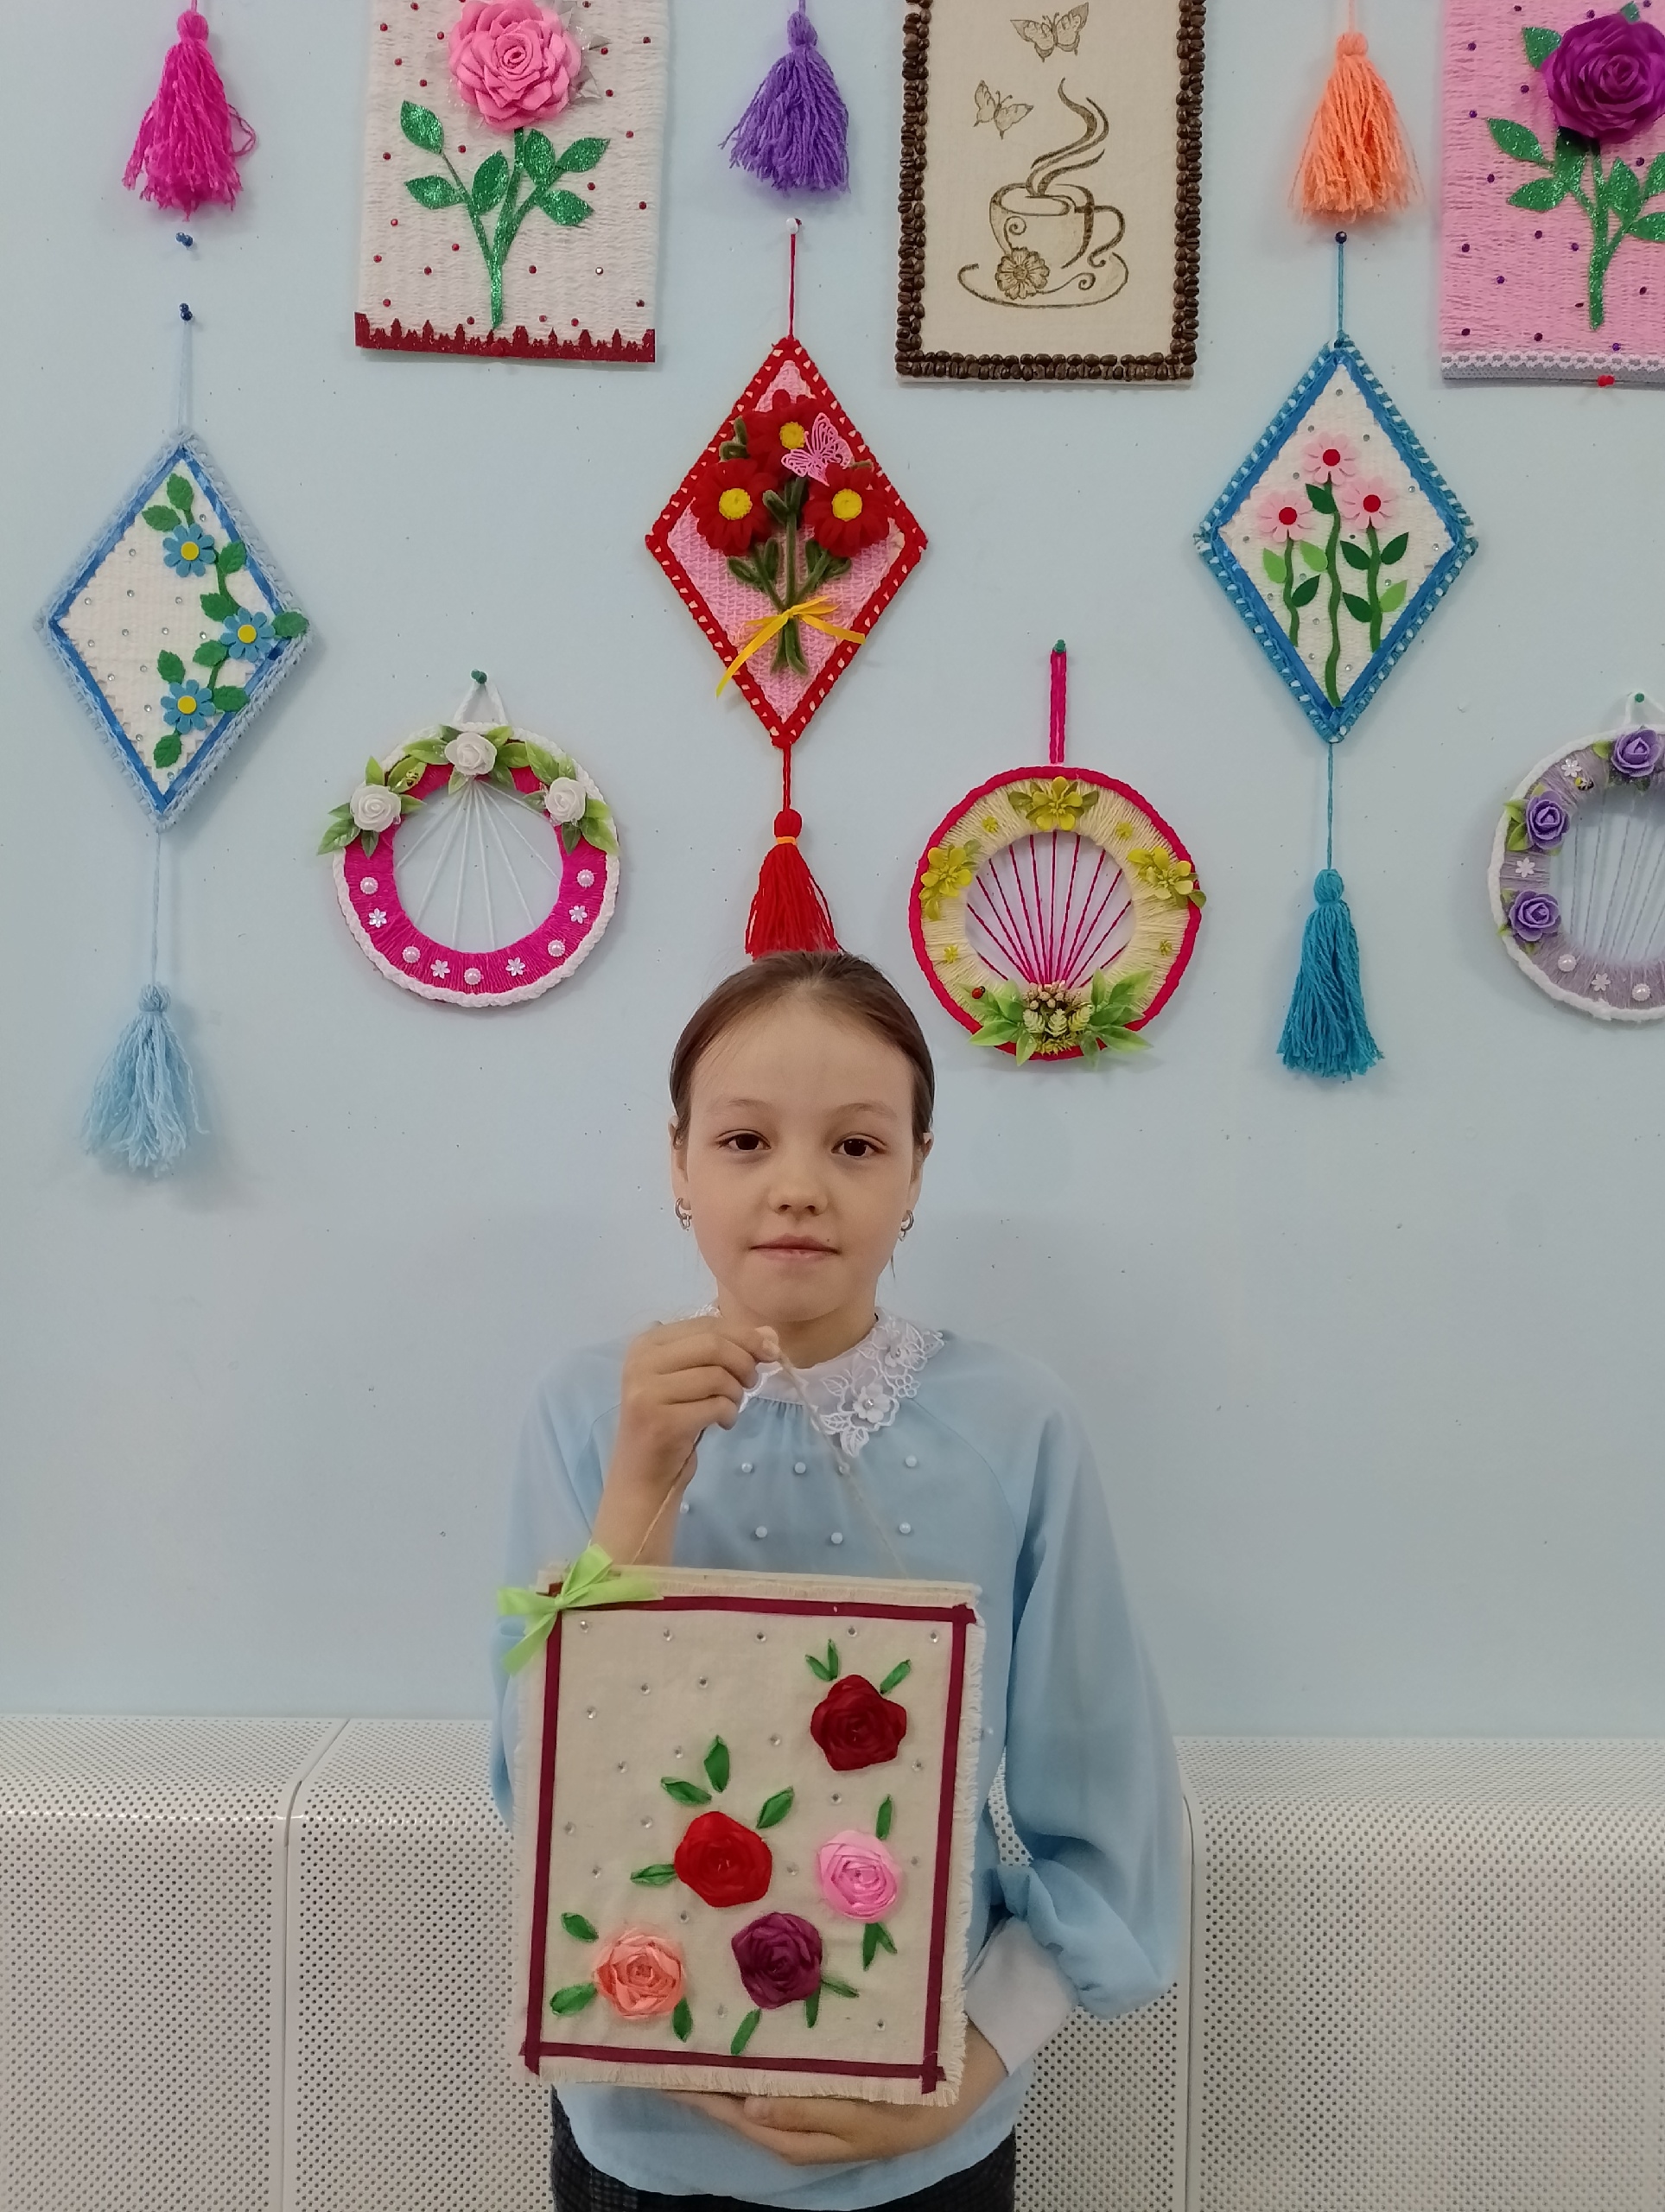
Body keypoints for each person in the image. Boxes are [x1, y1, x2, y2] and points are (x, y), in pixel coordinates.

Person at [493, 950, 1183, 2211]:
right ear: (678, 1163)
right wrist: (641, 1479)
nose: (799, 1187)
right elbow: (544, 1780)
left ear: (917, 1169)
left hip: (923, 2128)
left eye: (857, 1146)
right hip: (643, 2125)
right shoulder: (591, 1411)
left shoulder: (1016, 1424)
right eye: (744, 1140)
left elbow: (1106, 1801)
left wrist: (967, 2066)